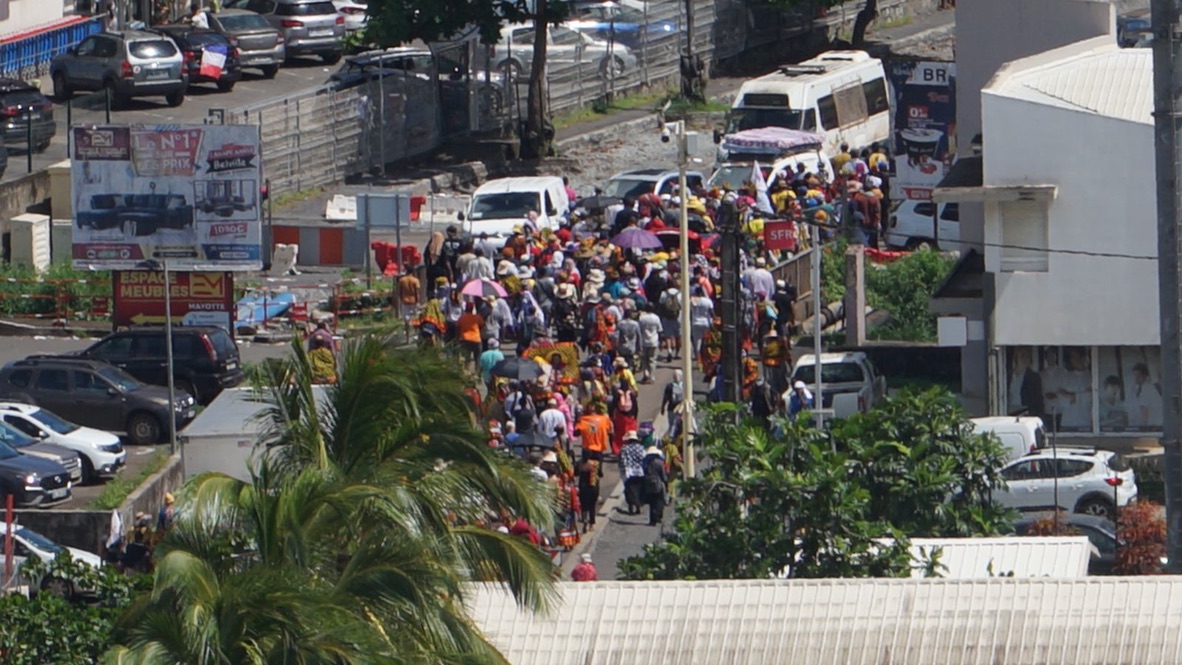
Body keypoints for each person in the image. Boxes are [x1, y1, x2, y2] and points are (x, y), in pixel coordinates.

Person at [618, 431, 646, 515]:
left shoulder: (624, 448)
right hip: (640, 472)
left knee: (629, 490)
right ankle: (638, 507)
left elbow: (622, 460)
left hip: (629, 472)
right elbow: (644, 459)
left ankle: (631, 508)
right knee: (638, 489)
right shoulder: (641, 448)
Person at [610, 375, 638, 457]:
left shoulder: (618, 394)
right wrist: (635, 417)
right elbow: (635, 407)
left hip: (620, 418)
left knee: (619, 434)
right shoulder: (631, 395)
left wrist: (611, 417)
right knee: (630, 433)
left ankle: (618, 450)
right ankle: (630, 450)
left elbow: (613, 405)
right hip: (630, 418)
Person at [642, 445, 668, 526]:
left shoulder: (646, 462)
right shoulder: (659, 462)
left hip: (648, 483)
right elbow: (663, 475)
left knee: (652, 502)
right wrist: (666, 481)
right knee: (659, 500)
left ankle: (652, 520)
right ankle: (658, 516)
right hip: (658, 483)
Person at [636, 304, 662, 384]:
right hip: (653, 341)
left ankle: (645, 374)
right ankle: (652, 377)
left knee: (644, 359)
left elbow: (639, 329)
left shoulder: (642, 318)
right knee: (652, 360)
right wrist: (661, 341)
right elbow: (659, 330)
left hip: (644, 341)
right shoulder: (656, 318)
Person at [577, 454, 600, 532]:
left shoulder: (580, 463)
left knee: (583, 505)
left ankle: (584, 521)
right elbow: (600, 473)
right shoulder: (595, 463)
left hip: (583, 487)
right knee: (592, 506)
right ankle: (592, 524)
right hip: (593, 487)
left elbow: (575, 473)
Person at [660, 369, 685, 440]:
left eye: (679, 375)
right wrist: (663, 407)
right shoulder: (669, 386)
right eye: (675, 375)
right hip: (671, 409)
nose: (677, 377)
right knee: (672, 424)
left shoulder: (685, 385)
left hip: (682, 408)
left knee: (682, 424)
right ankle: (672, 439)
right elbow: (665, 397)